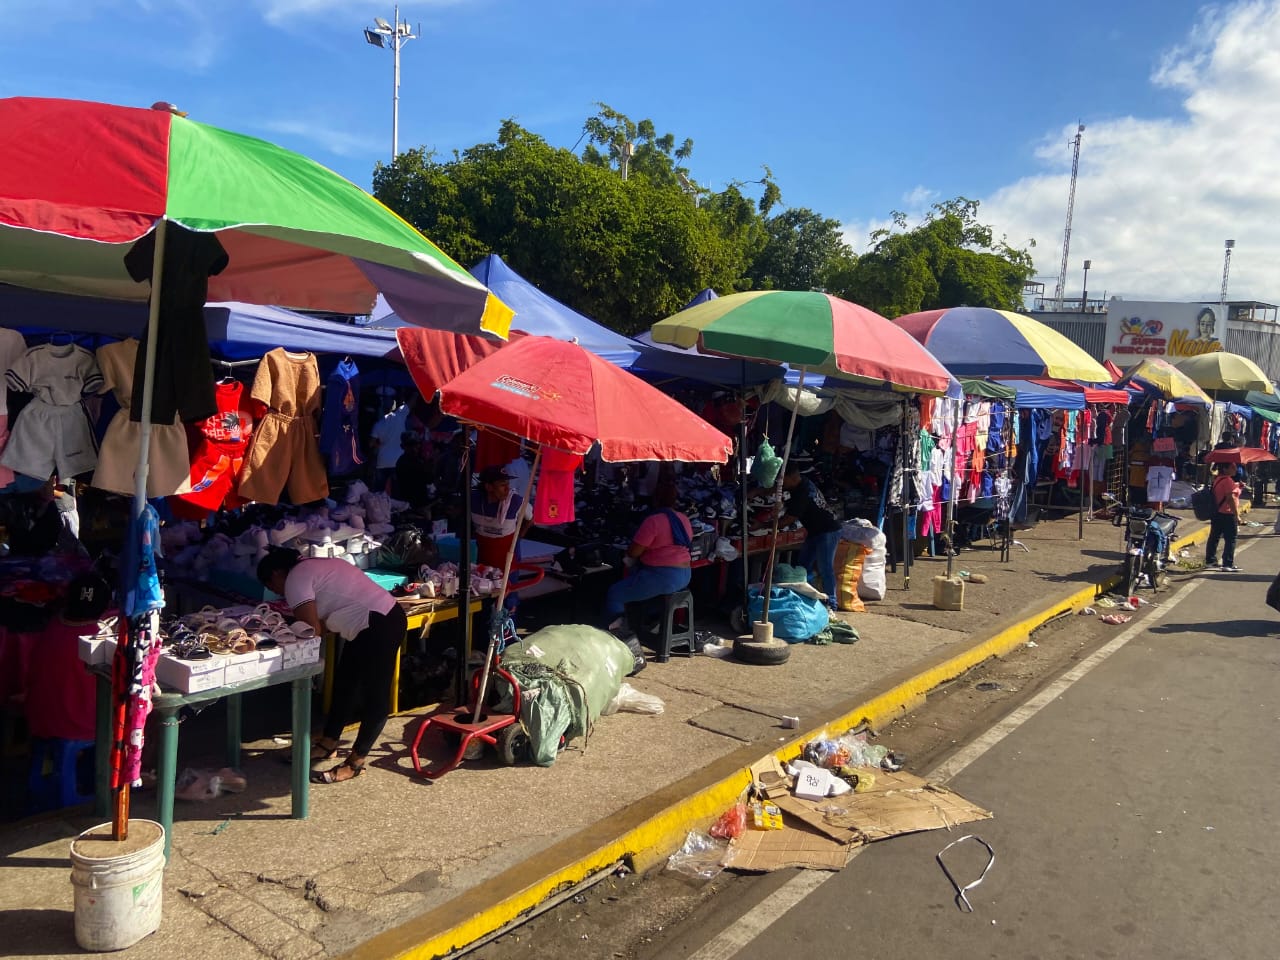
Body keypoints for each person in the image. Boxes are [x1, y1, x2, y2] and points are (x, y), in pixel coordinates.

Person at [257, 549, 407, 784]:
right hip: (379, 620)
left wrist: (283, 628)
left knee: (375, 696)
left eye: (270, 583)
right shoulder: (318, 565)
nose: (274, 590)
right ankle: (329, 742)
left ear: (277, 573)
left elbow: (312, 631)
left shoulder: (296, 579)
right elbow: (321, 624)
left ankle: (356, 763)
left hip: (378, 625)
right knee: (345, 684)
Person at [603, 480, 692, 629]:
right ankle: (653, 622)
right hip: (684, 575)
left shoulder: (654, 521)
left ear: (655, 499)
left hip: (663, 577)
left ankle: (619, 635)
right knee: (645, 586)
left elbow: (634, 552)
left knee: (615, 593)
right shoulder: (683, 518)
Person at [779, 456, 842, 610]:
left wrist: (767, 525)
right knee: (803, 566)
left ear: (793, 477)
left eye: (783, 480)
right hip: (815, 530)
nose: (781, 484)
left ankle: (832, 604)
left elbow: (789, 519)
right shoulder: (801, 483)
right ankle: (808, 596)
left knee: (825, 567)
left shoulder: (804, 491)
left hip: (828, 530)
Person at [471, 465, 533, 570]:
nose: (507, 489)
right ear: (488, 487)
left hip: (507, 560)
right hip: (482, 558)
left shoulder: (516, 501)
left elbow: (530, 518)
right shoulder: (473, 499)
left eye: (508, 484)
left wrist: (519, 537)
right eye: (502, 485)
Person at [1204, 461, 1241, 572]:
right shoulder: (1228, 481)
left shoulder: (1218, 479)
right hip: (1227, 513)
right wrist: (1236, 515)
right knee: (1231, 539)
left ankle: (1210, 560)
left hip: (1217, 513)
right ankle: (1227, 563)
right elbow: (1230, 499)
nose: (1235, 469)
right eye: (1232, 467)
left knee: (1214, 537)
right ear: (1225, 469)